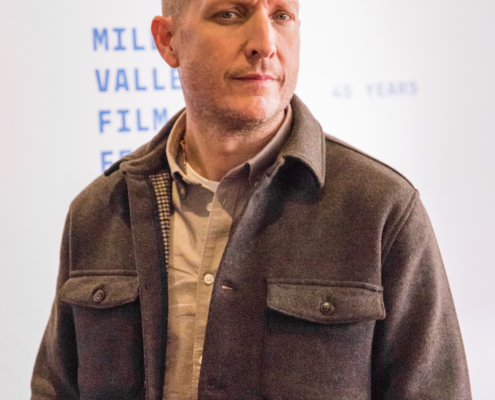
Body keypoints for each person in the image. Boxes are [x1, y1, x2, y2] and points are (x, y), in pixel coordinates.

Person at [31, 0, 472, 399]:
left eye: (281, 15)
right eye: (230, 13)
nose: (265, 42)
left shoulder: (381, 210)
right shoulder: (100, 211)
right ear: (168, 41)